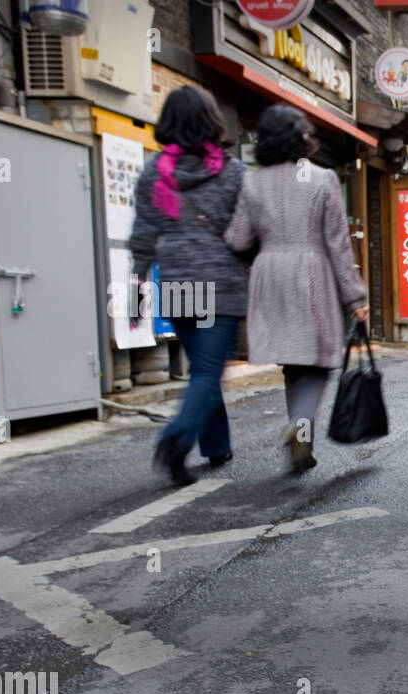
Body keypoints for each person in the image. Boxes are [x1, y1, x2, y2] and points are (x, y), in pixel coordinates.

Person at [224, 105, 369, 473]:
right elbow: (337, 243)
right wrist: (355, 296)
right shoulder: (322, 179)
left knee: (293, 362)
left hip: (270, 273)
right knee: (316, 363)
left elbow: (238, 238)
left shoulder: (252, 182)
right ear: (300, 137)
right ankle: (300, 427)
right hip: (311, 272)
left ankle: (299, 431)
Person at [130, 86, 250, 486]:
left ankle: (216, 446)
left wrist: (137, 280)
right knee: (208, 370)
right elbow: (248, 232)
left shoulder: (155, 171)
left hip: (179, 281)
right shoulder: (232, 172)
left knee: (201, 368)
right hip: (222, 282)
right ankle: (175, 439)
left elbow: (144, 233)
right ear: (210, 120)